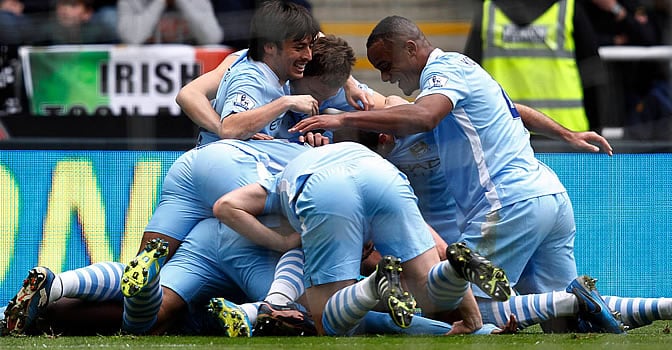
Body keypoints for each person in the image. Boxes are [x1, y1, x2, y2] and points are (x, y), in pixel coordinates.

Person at [289, 15, 619, 332]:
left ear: (409, 48)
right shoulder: (457, 74)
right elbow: (512, 108)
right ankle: (652, 305)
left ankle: (576, 302)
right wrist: (568, 134)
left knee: (471, 309)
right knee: (559, 320)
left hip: (507, 204)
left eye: (386, 67)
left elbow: (423, 117)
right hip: (547, 194)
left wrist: (342, 120)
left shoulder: (440, 78)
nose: (388, 78)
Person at [213, 141, 513, 336]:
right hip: (384, 176)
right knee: (429, 287)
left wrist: (282, 242)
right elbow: (440, 249)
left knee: (329, 325)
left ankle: (375, 283)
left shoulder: (279, 180)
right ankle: (458, 270)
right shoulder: (358, 152)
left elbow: (225, 205)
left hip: (323, 186)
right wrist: (474, 322)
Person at [463, 0, 608, 133]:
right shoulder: (568, 8)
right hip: (565, 131)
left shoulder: (488, 11)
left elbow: (467, 77)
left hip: (503, 132)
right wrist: (596, 130)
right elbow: (593, 77)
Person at [116, 0, 223, 45]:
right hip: (145, 68)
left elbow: (212, 38)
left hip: (188, 69)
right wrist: (160, 2)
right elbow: (132, 38)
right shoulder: (132, 1)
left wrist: (183, 3)